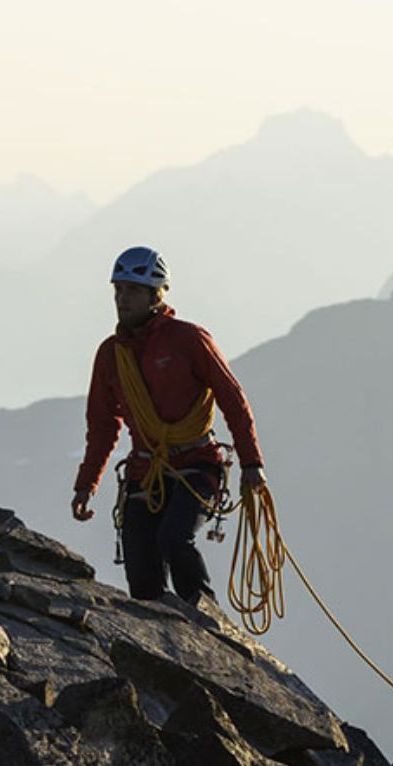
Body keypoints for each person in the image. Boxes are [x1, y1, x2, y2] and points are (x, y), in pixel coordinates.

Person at [69, 246, 267, 605]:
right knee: (141, 569)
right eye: (118, 290)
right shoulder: (112, 355)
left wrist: (252, 463)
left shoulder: (189, 340)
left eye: (131, 290)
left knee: (174, 538)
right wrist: (86, 485)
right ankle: (160, 646)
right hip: (145, 469)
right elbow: (102, 426)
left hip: (197, 463)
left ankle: (206, 622)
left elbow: (232, 398)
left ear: (156, 294)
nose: (121, 299)